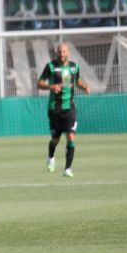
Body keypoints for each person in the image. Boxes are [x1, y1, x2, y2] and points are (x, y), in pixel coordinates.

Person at [37, 43, 91, 178]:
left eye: (64, 52)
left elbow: (76, 81)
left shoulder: (74, 67)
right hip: (54, 109)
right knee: (55, 139)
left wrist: (84, 87)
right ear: (56, 53)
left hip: (70, 108)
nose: (62, 54)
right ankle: (51, 156)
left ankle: (68, 169)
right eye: (60, 52)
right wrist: (51, 87)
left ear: (68, 53)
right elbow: (39, 83)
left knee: (70, 137)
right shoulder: (51, 67)